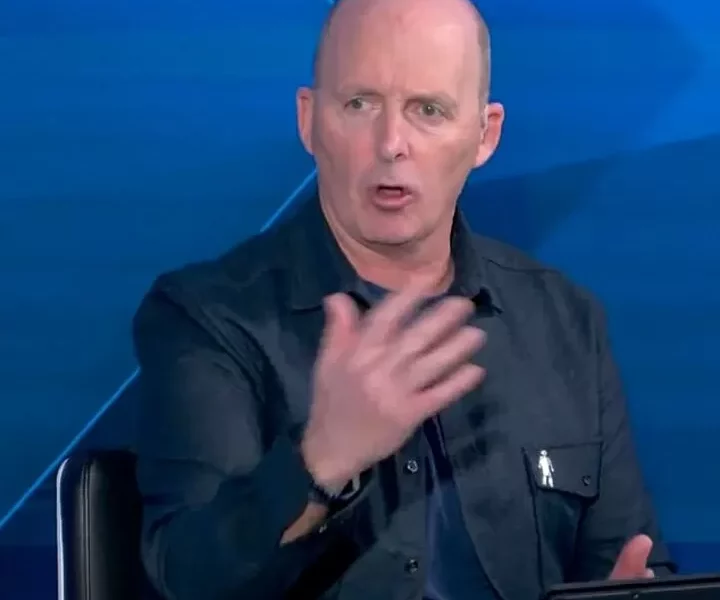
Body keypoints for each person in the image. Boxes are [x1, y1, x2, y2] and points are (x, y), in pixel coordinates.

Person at [132, 0, 675, 598]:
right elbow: (189, 578)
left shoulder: (566, 321)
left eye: (429, 110)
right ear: (309, 120)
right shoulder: (209, 318)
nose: (391, 143)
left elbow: (629, 563)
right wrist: (319, 463)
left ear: (485, 135)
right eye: (360, 104)